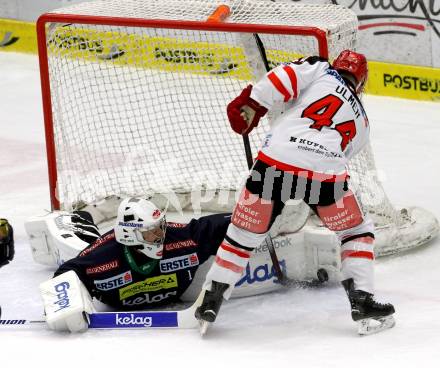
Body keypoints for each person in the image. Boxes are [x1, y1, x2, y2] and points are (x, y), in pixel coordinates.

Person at [195, 50, 395, 334]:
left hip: (274, 162)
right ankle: (362, 301)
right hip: (324, 174)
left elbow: (282, 78)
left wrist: (251, 103)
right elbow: (344, 152)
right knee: (355, 232)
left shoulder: (321, 69)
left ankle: (211, 300)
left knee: (242, 234)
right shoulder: (363, 122)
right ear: (361, 83)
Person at [39, 197, 232, 331]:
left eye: (161, 227)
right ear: (130, 235)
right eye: (151, 231)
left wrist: (252, 217)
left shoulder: (182, 238)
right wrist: (65, 305)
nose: (160, 236)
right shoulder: (101, 256)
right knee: (85, 239)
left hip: (180, 291)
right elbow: (67, 272)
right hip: (113, 300)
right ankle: (80, 221)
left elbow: (214, 226)